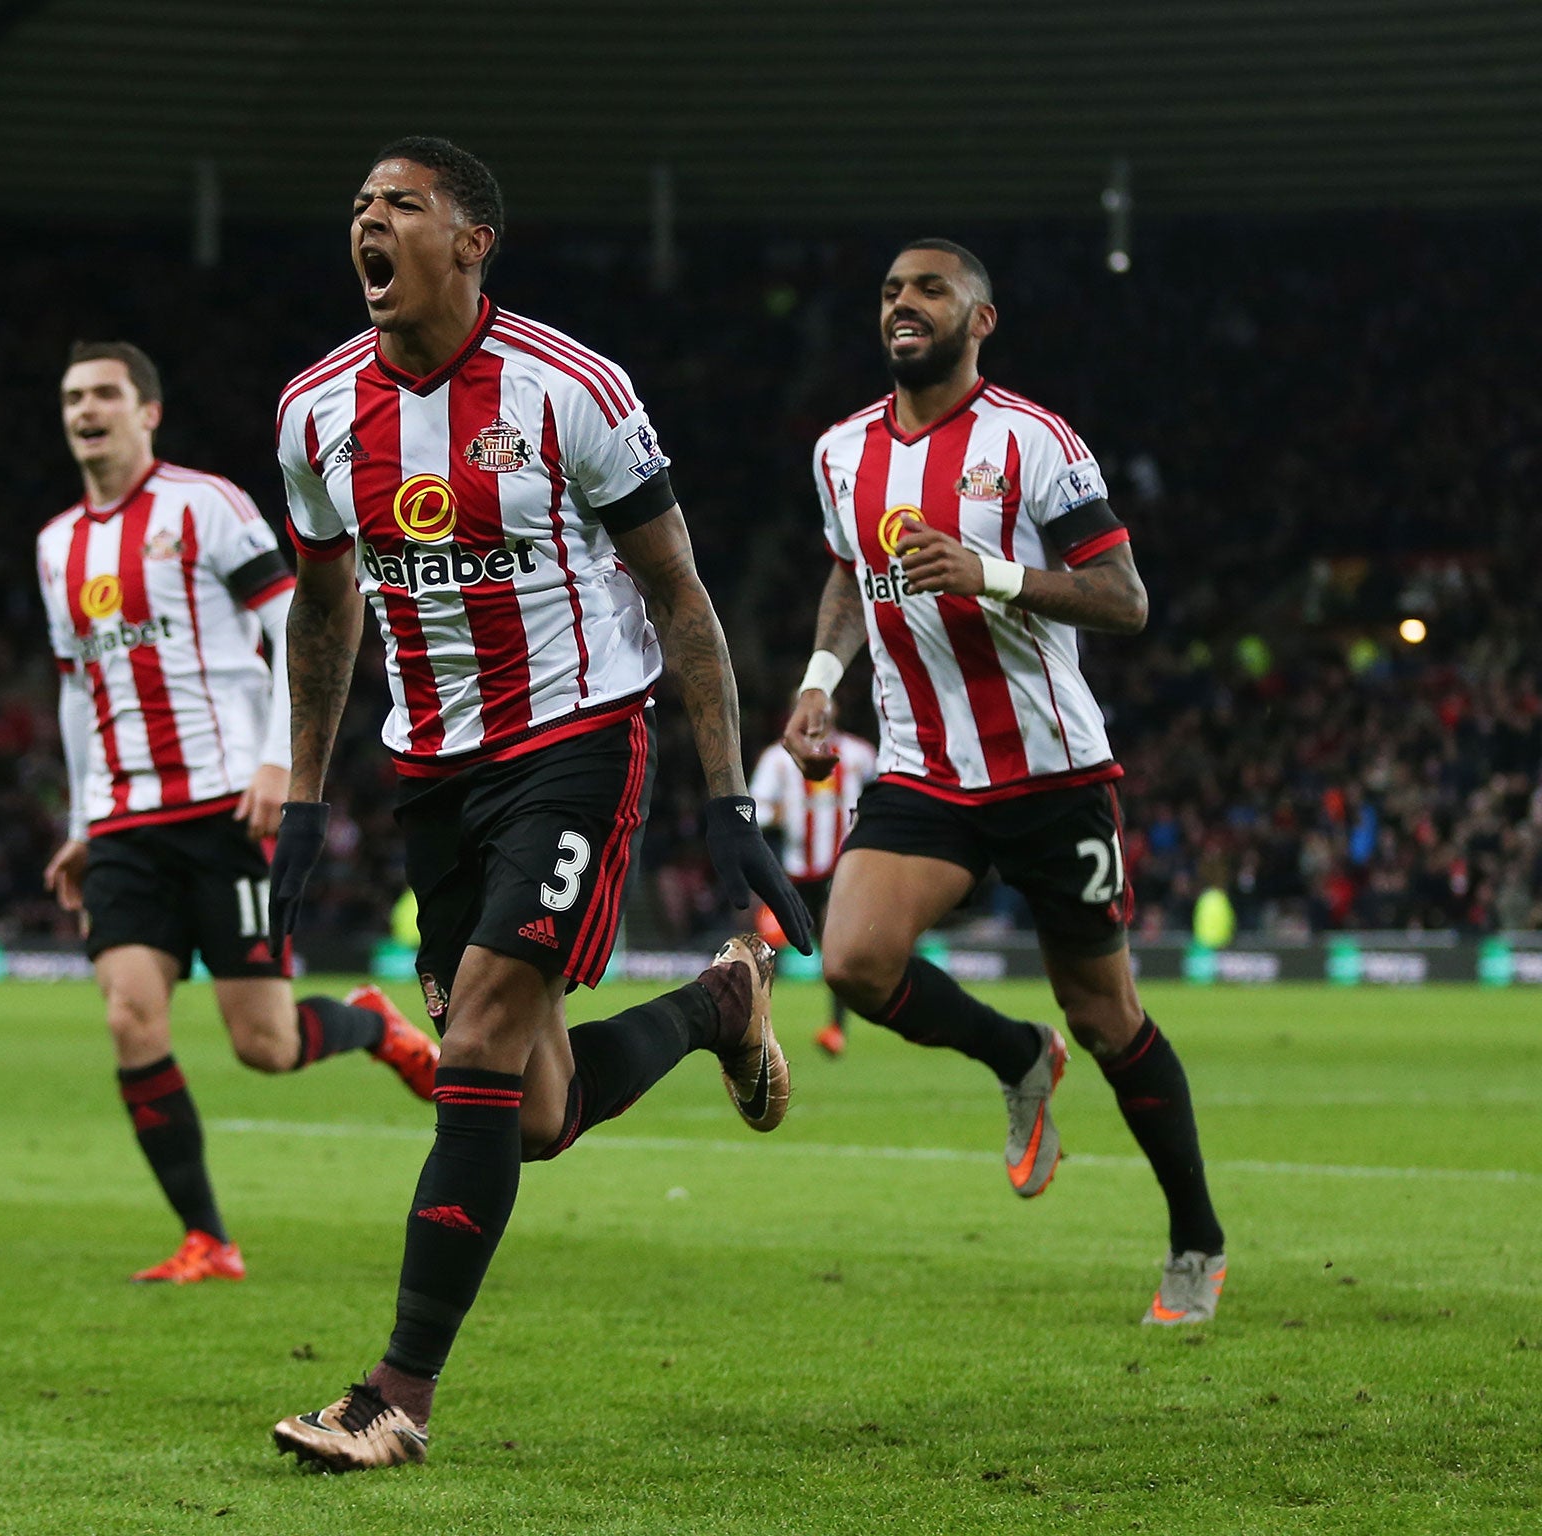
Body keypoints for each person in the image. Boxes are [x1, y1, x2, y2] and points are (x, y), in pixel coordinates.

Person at [264, 137, 812, 1470]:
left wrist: (729, 791)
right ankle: (717, 1005)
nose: (370, 222)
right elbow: (326, 607)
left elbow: (679, 593)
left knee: (481, 1044)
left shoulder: (572, 389)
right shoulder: (314, 412)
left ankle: (396, 1394)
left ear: (471, 240)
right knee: (539, 1114)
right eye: (359, 205)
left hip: (576, 741)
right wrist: (302, 798)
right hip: (433, 775)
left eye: (401, 203)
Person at [785, 239, 1226, 1327]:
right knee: (849, 959)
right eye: (891, 290)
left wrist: (987, 571)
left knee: (1108, 1013)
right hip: (922, 765)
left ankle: (1194, 1240)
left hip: (1049, 772)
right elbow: (849, 571)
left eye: (929, 290)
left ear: (979, 321)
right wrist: (817, 680)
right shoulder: (840, 452)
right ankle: (1015, 1054)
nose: (903, 304)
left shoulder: (1033, 443)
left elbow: (1122, 599)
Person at [37, 340, 440, 1287]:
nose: (85, 411)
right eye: (71, 399)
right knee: (131, 1018)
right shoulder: (59, 546)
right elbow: (74, 690)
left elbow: (292, 620)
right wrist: (82, 818)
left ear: (147, 412)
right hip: (128, 821)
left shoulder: (203, 505)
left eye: (104, 395)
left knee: (265, 1046)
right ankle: (208, 1240)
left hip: (228, 806)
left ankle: (374, 1026)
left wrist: (277, 762)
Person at [748, 714, 876, 1056]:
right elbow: (754, 806)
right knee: (768, 944)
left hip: (841, 867)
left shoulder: (857, 753)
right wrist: (779, 815)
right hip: (794, 870)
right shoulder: (778, 758)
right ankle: (751, 1026)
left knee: (835, 947)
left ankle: (836, 1028)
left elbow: (886, 787)